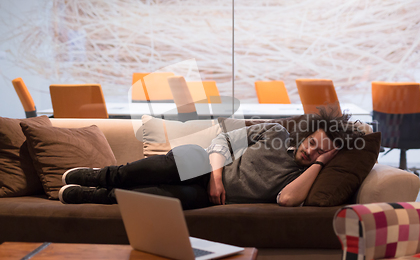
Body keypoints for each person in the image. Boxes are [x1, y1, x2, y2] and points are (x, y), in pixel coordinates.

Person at [58, 108, 364, 209]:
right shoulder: (275, 132)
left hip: (204, 197)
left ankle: (97, 196)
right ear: (306, 134)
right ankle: (100, 176)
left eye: (320, 151)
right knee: (164, 166)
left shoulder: (304, 178)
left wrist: (321, 163)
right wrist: (217, 179)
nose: (310, 151)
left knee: (155, 201)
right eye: (312, 143)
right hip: (206, 166)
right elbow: (223, 141)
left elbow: (285, 200)